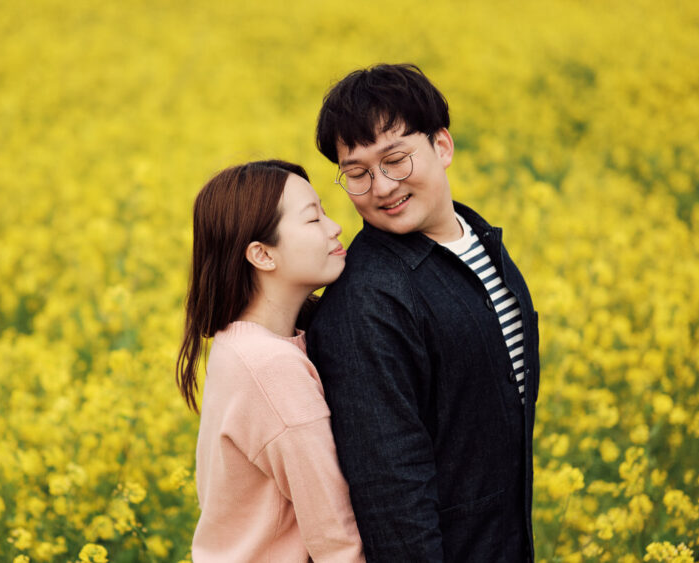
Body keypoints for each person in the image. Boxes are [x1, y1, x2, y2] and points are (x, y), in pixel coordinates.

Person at [306, 63, 540, 562]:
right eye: (358, 173)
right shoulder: (366, 302)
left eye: (396, 159)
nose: (383, 187)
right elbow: (391, 490)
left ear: (442, 146)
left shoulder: (481, 244)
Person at [176, 160, 365, 562]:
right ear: (262, 255)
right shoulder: (270, 367)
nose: (335, 227)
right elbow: (338, 542)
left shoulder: (235, 346)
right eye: (313, 218)